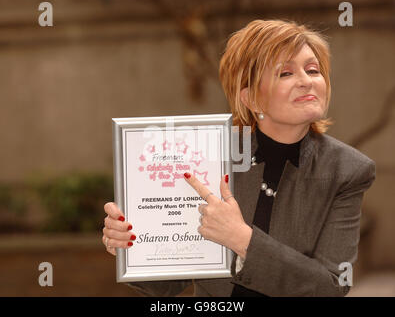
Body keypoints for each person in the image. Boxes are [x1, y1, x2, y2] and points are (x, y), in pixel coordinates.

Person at [102, 19, 376, 296]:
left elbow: (331, 287)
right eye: (285, 73)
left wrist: (243, 239)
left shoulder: (348, 171)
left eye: (313, 70)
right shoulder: (206, 155)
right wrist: (132, 246)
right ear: (252, 99)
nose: (306, 81)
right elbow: (168, 285)